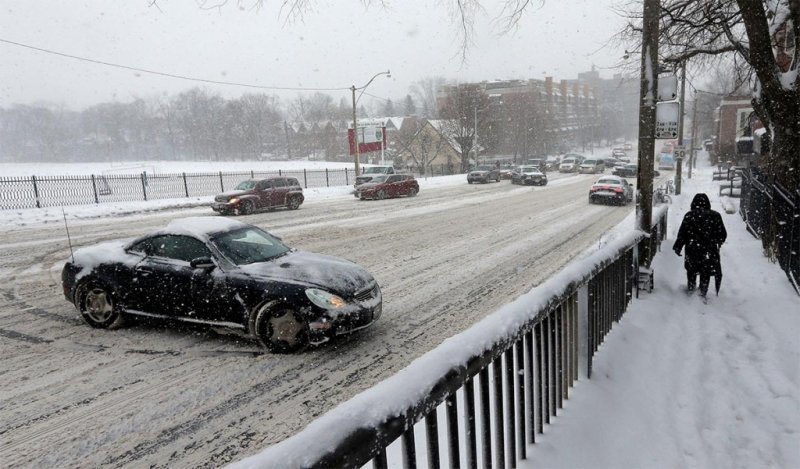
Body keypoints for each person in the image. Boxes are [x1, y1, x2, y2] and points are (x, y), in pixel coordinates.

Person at [673, 193, 727, 298]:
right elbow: (722, 235)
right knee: (705, 272)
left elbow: (682, 234)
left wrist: (678, 247)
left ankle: (691, 290)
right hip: (709, 251)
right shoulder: (715, 216)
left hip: (692, 249)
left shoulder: (689, 216)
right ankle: (702, 293)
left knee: (691, 271)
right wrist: (716, 241)